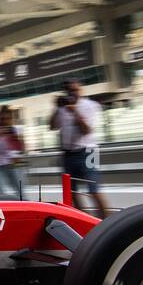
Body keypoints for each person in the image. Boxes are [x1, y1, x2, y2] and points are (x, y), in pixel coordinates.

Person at [50, 79, 109, 218]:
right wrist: (55, 109)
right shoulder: (61, 108)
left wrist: (74, 111)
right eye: (69, 90)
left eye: (75, 90)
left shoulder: (89, 105)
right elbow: (52, 126)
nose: (72, 93)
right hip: (68, 154)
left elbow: (87, 130)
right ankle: (85, 221)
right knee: (72, 192)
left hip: (89, 151)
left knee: (94, 190)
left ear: (81, 90)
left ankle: (107, 222)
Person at [0, 106, 26, 199]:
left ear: (11, 118)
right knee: (1, 193)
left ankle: (23, 208)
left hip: (14, 163)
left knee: (20, 191)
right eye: (3, 119)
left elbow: (23, 150)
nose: (5, 121)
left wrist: (17, 138)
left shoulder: (17, 130)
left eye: (8, 118)